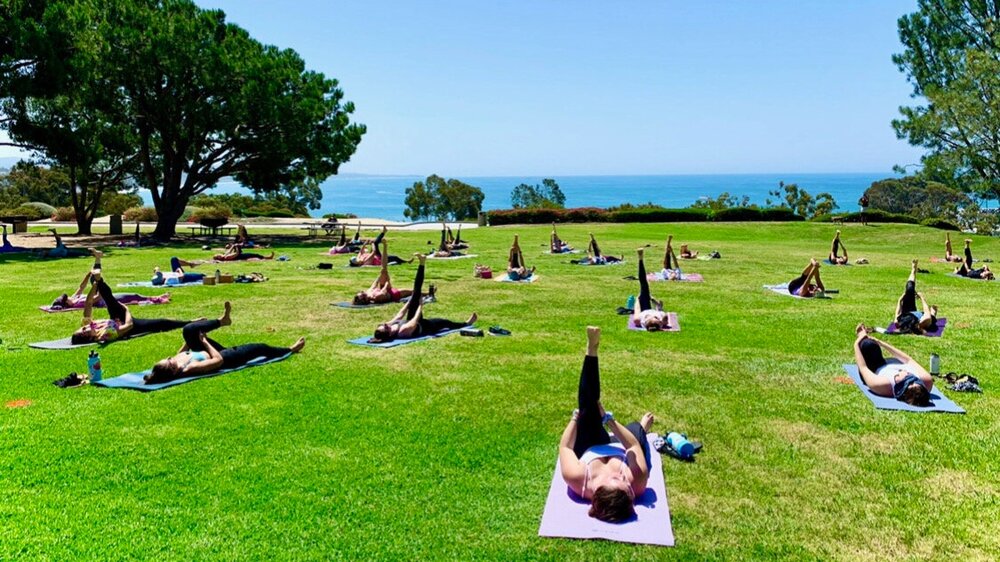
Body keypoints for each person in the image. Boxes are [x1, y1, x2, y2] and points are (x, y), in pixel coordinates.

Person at [558, 326, 653, 523]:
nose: (624, 480)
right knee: (636, 432)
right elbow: (632, 446)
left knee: (588, 405)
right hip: (620, 447)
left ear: (597, 492)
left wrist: (577, 417)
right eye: (627, 489)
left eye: (616, 482)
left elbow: (565, 447)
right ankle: (643, 428)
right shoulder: (637, 485)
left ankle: (591, 349)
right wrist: (609, 420)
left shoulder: (577, 478)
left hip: (590, 444)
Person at [144, 302, 306, 384]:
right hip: (225, 357)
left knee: (188, 330)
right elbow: (218, 361)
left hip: (207, 349)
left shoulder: (176, 362)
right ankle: (290, 349)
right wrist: (205, 342)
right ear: (172, 369)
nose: (169, 357)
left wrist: (190, 340)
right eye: (169, 360)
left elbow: (183, 352)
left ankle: (223, 321)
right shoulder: (189, 369)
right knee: (259, 348)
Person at [370, 253, 476, 342]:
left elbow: (400, 314)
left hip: (412, 319)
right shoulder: (403, 331)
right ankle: (466, 323)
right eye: (385, 327)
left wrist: (411, 300)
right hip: (425, 325)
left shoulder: (390, 325)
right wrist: (421, 304)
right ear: (388, 333)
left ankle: (422, 263)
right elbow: (416, 319)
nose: (385, 324)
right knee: (445, 323)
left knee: (416, 290)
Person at [70, 265, 189, 345]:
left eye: (82, 328)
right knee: (160, 323)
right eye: (84, 330)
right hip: (130, 324)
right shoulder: (105, 335)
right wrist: (126, 309)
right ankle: (190, 322)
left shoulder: (89, 325)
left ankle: (99, 280)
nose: (85, 327)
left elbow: (89, 302)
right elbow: (129, 325)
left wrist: (95, 286)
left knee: (109, 299)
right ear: (89, 337)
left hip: (116, 317)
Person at [51, 251, 169, 309]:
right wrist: (98, 285)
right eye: (67, 299)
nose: (69, 297)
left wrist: (88, 275)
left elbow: (81, 287)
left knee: (135, 295)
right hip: (106, 300)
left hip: (103, 295)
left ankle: (98, 260)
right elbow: (97, 298)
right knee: (134, 296)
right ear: (67, 304)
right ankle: (158, 299)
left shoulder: (75, 299)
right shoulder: (80, 304)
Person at [853, 324, 933, 407]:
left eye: (908, 380)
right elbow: (908, 360)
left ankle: (861, 334)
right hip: (893, 363)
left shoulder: (881, 385)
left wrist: (857, 343)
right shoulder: (926, 381)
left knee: (868, 345)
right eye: (916, 381)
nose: (909, 374)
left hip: (876, 366)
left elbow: (863, 368)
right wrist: (881, 343)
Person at [353, 242, 435, 305]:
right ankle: (428, 294)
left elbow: (374, 285)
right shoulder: (375, 297)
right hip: (392, 294)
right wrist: (387, 281)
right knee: (412, 292)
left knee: (383, 269)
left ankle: (385, 247)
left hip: (385, 289)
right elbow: (383, 291)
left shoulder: (368, 292)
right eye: (363, 295)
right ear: (365, 299)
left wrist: (380, 276)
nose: (363, 293)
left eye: (362, 293)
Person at [893, 260, 940, 334]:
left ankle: (913, 270)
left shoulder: (900, 323)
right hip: (923, 315)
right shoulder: (924, 322)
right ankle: (934, 313)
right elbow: (926, 313)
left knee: (909, 288)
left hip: (909, 312)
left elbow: (897, 314)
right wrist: (921, 297)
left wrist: (900, 300)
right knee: (931, 317)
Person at [632, 248, 670, 331]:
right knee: (645, 286)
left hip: (643, 308)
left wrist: (637, 299)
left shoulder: (638, 320)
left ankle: (640, 259)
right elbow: (659, 309)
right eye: (658, 319)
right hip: (652, 307)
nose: (658, 319)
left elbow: (637, 309)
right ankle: (641, 259)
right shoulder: (662, 319)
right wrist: (655, 302)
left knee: (644, 285)